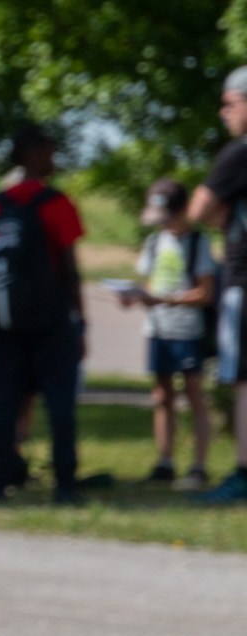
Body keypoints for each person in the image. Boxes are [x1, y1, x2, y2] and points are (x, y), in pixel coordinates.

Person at [0, 125, 87, 503]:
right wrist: (80, 319)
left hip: (4, 323)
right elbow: (69, 268)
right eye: (50, 153)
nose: (54, 160)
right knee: (59, 404)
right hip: (50, 321)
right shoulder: (55, 203)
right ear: (34, 155)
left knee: (4, 403)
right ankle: (65, 483)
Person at [122, 179, 217, 490]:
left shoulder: (198, 243)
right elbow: (150, 284)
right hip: (158, 329)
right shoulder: (154, 242)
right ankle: (165, 461)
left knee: (194, 394)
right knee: (162, 395)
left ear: (181, 211)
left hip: (187, 331)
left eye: (167, 216)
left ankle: (199, 465)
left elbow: (205, 293)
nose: (162, 222)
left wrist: (164, 299)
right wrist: (136, 296)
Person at [188, 65, 247, 504]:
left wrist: (220, 217)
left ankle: (244, 473)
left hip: (244, 281)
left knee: (244, 380)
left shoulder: (239, 152)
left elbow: (198, 209)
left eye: (229, 104)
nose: (223, 113)